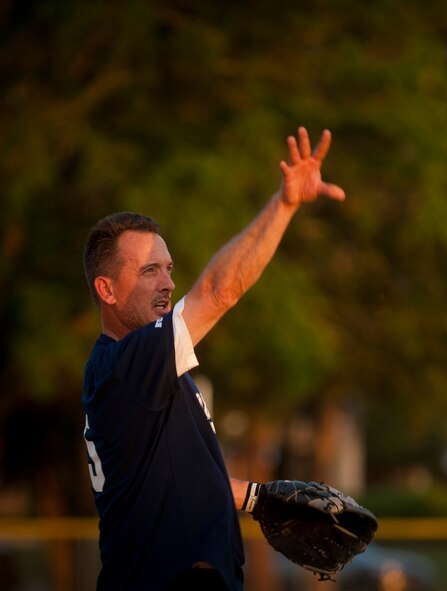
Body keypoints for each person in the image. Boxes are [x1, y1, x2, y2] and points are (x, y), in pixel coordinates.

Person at [81, 127, 346, 591]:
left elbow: (179, 476)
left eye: (169, 269)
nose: (166, 283)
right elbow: (219, 291)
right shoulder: (125, 368)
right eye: (148, 271)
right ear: (106, 289)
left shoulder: (158, 374)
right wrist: (284, 206)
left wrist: (258, 497)